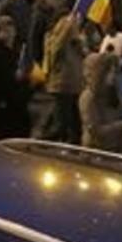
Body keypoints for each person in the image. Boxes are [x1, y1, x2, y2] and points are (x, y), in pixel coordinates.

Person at [0, 16, 31, 139]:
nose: (10, 33)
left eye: (12, 30)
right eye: (6, 31)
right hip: (2, 103)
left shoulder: (16, 48)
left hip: (16, 102)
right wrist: (12, 76)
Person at [43, 13, 86, 144]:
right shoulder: (53, 39)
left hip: (76, 87)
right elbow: (57, 47)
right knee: (62, 125)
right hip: (62, 86)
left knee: (76, 126)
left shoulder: (76, 42)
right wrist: (67, 25)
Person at [79, 50, 122, 153]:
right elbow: (95, 131)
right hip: (95, 151)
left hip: (115, 149)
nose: (113, 75)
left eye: (115, 71)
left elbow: (120, 115)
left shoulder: (114, 93)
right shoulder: (88, 97)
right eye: (110, 71)